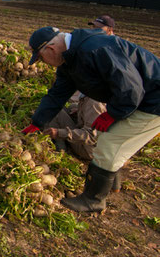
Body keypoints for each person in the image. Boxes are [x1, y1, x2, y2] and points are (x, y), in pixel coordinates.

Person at [23, 26, 160, 213]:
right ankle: (113, 183)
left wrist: (113, 113)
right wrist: (37, 123)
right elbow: (57, 95)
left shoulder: (95, 49)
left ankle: (93, 200)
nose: (44, 63)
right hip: (139, 99)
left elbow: (131, 88)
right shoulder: (70, 60)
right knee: (111, 139)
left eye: (41, 58)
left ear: (51, 49)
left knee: (110, 143)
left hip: (153, 100)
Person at [43, 15, 116, 159]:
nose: (93, 30)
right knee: (64, 107)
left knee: (54, 112)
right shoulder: (93, 92)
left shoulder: (109, 49)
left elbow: (92, 135)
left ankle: (60, 146)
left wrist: (59, 133)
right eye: (93, 27)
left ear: (110, 30)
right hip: (94, 131)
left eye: (98, 28)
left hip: (90, 150)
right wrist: (80, 109)